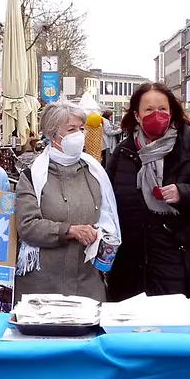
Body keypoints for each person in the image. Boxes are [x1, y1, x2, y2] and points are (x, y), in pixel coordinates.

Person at [106, 83, 190, 309]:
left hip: (180, 263)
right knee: (135, 338)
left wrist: (184, 193)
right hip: (132, 268)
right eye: (149, 110)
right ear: (137, 116)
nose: (156, 115)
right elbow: (109, 203)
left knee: (177, 339)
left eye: (162, 109)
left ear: (172, 113)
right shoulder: (123, 153)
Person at [15, 101, 120, 301]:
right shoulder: (33, 175)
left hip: (87, 284)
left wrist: (103, 235)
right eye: (71, 130)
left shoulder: (94, 171)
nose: (78, 135)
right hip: (43, 286)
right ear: (53, 134)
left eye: (81, 129)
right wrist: (70, 230)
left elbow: (108, 216)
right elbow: (27, 226)